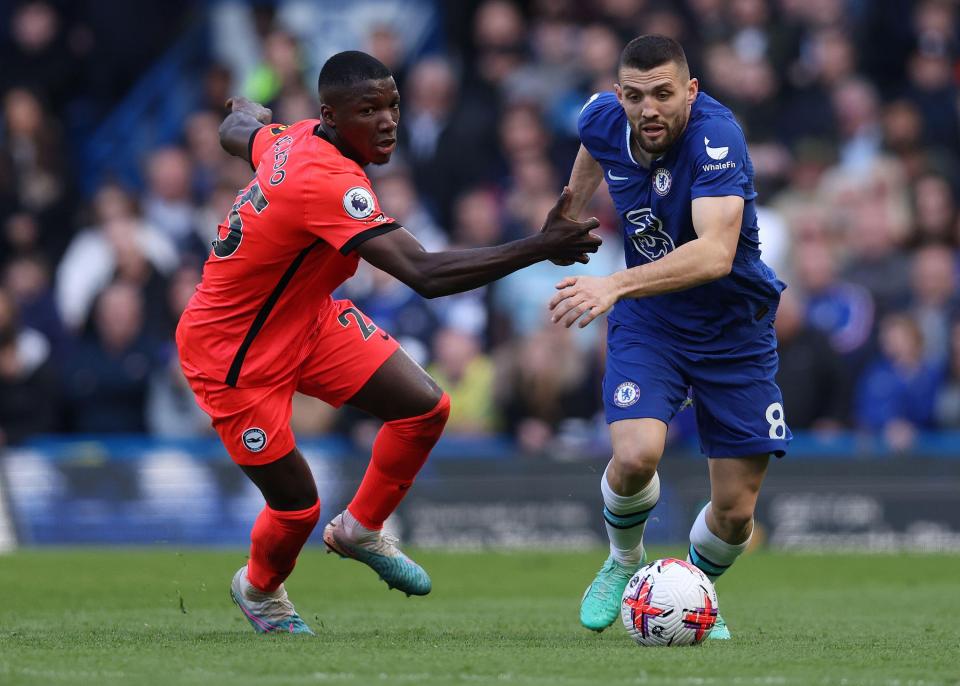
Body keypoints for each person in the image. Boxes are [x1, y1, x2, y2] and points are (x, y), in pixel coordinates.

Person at [175, 50, 601, 635]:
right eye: (368, 109)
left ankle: (361, 529)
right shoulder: (323, 179)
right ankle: (260, 589)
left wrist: (246, 107)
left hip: (304, 320)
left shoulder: (290, 138)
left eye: (393, 105)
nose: (387, 120)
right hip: (232, 355)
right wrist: (538, 245)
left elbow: (235, 130)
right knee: (297, 506)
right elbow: (424, 275)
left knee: (426, 407)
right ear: (331, 116)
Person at [545, 35, 790, 639]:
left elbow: (713, 254)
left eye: (662, 94)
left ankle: (692, 590)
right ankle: (625, 563)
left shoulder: (716, 138)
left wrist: (613, 285)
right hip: (653, 319)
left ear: (690, 90)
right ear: (618, 93)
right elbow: (593, 143)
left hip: (734, 328)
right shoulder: (604, 116)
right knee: (634, 457)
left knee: (735, 515)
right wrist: (571, 208)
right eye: (635, 96)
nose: (648, 109)